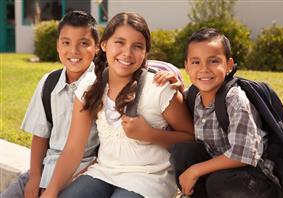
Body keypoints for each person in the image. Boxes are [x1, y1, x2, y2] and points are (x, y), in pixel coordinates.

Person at [41, 12, 194, 198]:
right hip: (104, 172)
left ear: (145, 52)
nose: (127, 53)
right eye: (119, 42)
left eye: (137, 46)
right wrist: (51, 191)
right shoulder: (90, 85)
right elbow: (73, 149)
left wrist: (150, 135)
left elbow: (191, 138)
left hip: (149, 178)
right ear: (104, 45)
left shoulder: (159, 89)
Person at [1, 10, 100, 198]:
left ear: (96, 48)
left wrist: (58, 185)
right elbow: (40, 135)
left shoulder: (102, 86)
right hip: (46, 168)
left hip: (84, 172)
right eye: (66, 43)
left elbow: (103, 153)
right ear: (57, 46)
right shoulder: (49, 82)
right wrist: (35, 176)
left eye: (84, 43)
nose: (73, 51)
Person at [170, 28, 279, 198]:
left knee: (219, 182)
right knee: (182, 152)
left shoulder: (235, 99)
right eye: (196, 62)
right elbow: (178, 106)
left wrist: (195, 170)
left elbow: (244, 154)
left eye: (213, 61)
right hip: (220, 170)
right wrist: (173, 89)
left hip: (253, 178)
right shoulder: (193, 94)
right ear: (186, 66)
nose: (204, 69)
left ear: (228, 65)